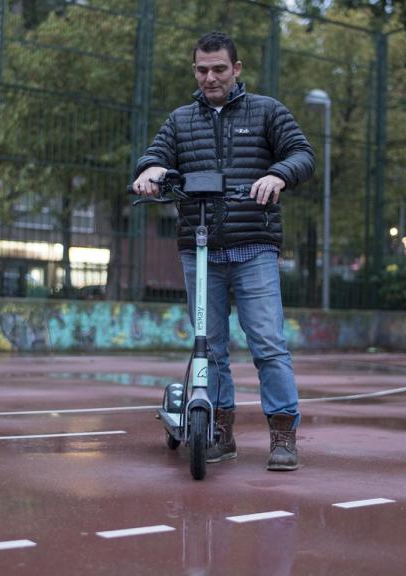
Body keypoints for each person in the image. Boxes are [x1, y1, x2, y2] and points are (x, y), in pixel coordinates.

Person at [132, 31, 315, 471]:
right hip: (200, 248)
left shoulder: (268, 111)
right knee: (209, 348)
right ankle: (219, 433)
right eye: (202, 69)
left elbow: (302, 153)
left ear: (237, 68)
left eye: (218, 69)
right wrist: (151, 169)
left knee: (268, 344)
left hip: (254, 246)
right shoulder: (180, 120)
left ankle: (283, 438)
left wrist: (278, 175)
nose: (210, 77)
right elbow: (155, 155)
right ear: (194, 71)